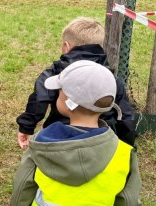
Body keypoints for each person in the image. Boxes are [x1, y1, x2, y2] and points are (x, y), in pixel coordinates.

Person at [10, 60, 142, 206]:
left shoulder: (39, 145)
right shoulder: (124, 154)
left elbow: (22, 188)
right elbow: (129, 200)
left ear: (69, 103)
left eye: (60, 92)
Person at [16, 17, 136, 149]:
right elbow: (125, 116)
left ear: (66, 46)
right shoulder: (110, 78)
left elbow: (40, 98)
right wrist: (126, 145)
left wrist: (26, 127)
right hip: (101, 137)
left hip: (60, 135)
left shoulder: (56, 72)